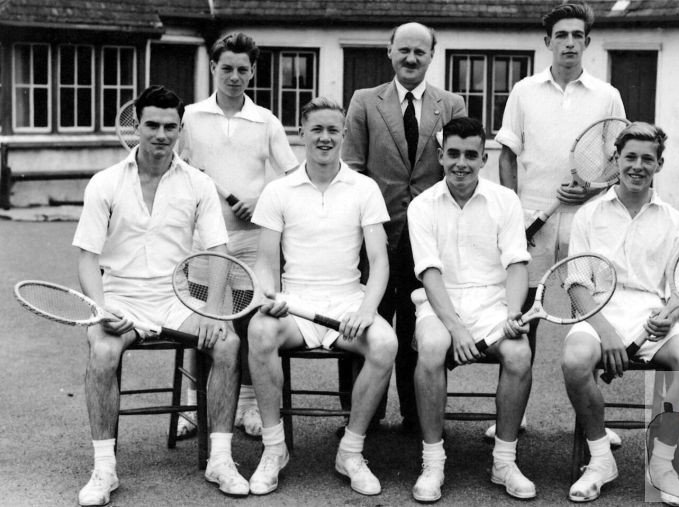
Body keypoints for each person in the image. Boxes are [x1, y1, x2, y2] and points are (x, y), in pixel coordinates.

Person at [72, 85, 248, 506]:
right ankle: (104, 469)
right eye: (151, 124)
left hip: (178, 297)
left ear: (180, 130)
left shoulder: (199, 185)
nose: (160, 135)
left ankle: (220, 460)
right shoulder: (105, 183)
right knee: (102, 351)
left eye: (170, 127)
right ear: (137, 127)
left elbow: (219, 254)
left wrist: (213, 311)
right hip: (120, 296)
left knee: (228, 343)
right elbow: (86, 258)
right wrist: (101, 310)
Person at [245, 97, 398, 496]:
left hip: (348, 301)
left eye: (333, 129)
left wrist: (367, 310)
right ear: (301, 134)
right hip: (296, 306)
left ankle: (350, 451)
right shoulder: (277, 191)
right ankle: (274, 449)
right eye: (317, 129)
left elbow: (379, 262)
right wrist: (268, 296)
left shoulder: (365, 188)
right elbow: (265, 262)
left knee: (385, 343)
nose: (325, 137)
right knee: (259, 332)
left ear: (344, 134)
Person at [490, 0, 626, 441]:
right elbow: (507, 153)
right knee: (524, 317)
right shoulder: (523, 91)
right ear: (548, 42)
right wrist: (514, 211)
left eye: (577, 36)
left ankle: (591, 422)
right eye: (561, 36)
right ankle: (515, 415)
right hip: (532, 220)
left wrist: (590, 190)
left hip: (588, 221)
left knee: (586, 317)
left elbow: (617, 163)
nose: (569, 43)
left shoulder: (607, 96)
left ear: (587, 42)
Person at [563, 122, 679, 505]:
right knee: (575, 360)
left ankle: (660, 463)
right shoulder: (589, 215)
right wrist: (606, 332)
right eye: (630, 157)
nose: (637, 166)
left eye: (647, 159)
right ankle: (599, 459)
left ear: (659, 163)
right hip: (597, 313)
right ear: (616, 160)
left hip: (651, 315)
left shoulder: (674, 220)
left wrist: (670, 316)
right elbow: (577, 285)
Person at [342, 22, 467, 432]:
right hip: (376, 234)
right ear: (390, 51)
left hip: (428, 240)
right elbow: (354, 169)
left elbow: (457, 169)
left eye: (420, 51)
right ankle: (362, 414)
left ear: (432, 55)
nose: (411, 58)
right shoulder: (364, 101)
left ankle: (418, 417)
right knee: (367, 322)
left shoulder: (451, 104)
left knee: (419, 328)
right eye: (404, 50)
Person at [407, 117, 535, 502]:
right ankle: (433, 462)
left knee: (519, 353)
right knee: (431, 347)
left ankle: (504, 461)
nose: (461, 162)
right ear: (441, 155)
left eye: (470, 155)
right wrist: (457, 329)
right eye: (453, 154)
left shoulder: (506, 200)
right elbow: (429, 273)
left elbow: (516, 263)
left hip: (493, 303)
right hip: (439, 302)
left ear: (483, 158)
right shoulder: (421, 205)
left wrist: (514, 313)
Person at [179, 32, 299, 438]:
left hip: (251, 244)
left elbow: (291, 177)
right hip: (203, 244)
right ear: (213, 67)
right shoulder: (190, 117)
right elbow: (177, 171)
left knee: (251, 324)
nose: (234, 76)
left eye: (242, 70)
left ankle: (248, 404)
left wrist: (260, 201)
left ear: (252, 72)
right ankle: (197, 408)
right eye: (226, 68)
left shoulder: (266, 121)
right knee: (206, 322)